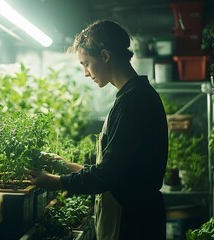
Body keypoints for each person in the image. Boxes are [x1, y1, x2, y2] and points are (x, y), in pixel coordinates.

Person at [28, 19, 168, 240]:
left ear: (105, 56)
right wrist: (67, 166)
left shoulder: (134, 102)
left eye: (86, 63)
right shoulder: (132, 96)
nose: (85, 73)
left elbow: (109, 176)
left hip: (133, 225)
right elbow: (120, 169)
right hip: (134, 219)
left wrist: (55, 181)